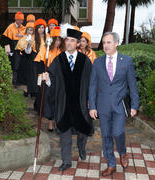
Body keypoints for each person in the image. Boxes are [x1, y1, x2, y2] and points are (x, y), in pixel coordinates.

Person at [42, 24, 94, 171]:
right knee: (64, 131)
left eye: (73, 40)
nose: (69, 43)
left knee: (83, 131)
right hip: (64, 103)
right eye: (67, 40)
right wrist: (48, 78)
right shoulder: (59, 60)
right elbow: (52, 78)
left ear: (78, 43)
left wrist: (91, 100)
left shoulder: (85, 61)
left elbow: (91, 82)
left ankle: (81, 147)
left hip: (80, 103)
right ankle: (66, 161)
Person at [89, 32, 139, 177]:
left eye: (109, 42)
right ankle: (111, 165)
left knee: (118, 132)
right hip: (102, 105)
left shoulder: (127, 61)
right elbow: (92, 85)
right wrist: (92, 106)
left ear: (116, 43)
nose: (105, 45)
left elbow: (132, 85)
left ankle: (122, 152)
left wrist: (134, 105)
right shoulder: (97, 62)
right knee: (106, 136)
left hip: (119, 105)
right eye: (104, 42)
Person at [35, 26, 63, 132]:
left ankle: (58, 121)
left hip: (60, 79)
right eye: (56, 39)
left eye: (60, 40)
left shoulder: (62, 51)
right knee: (50, 100)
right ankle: (50, 122)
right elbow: (39, 63)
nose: (58, 42)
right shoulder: (45, 49)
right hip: (49, 78)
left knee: (59, 100)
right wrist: (42, 76)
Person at [3, 12, 26, 85]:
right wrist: (8, 50)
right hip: (13, 49)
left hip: (21, 49)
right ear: (16, 19)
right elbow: (6, 39)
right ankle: (15, 81)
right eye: (19, 20)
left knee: (21, 65)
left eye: (21, 20)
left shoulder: (24, 28)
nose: (20, 21)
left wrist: (22, 36)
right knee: (15, 65)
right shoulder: (10, 27)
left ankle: (19, 80)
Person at [14, 22, 36, 97]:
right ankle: (25, 91)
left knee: (32, 75)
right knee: (24, 76)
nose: (30, 31)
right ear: (26, 30)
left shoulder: (35, 39)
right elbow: (19, 49)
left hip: (32, 60)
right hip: (24, 60)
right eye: (28, 30)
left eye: (31, 30)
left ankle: (32, 91)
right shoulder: (23, 39)